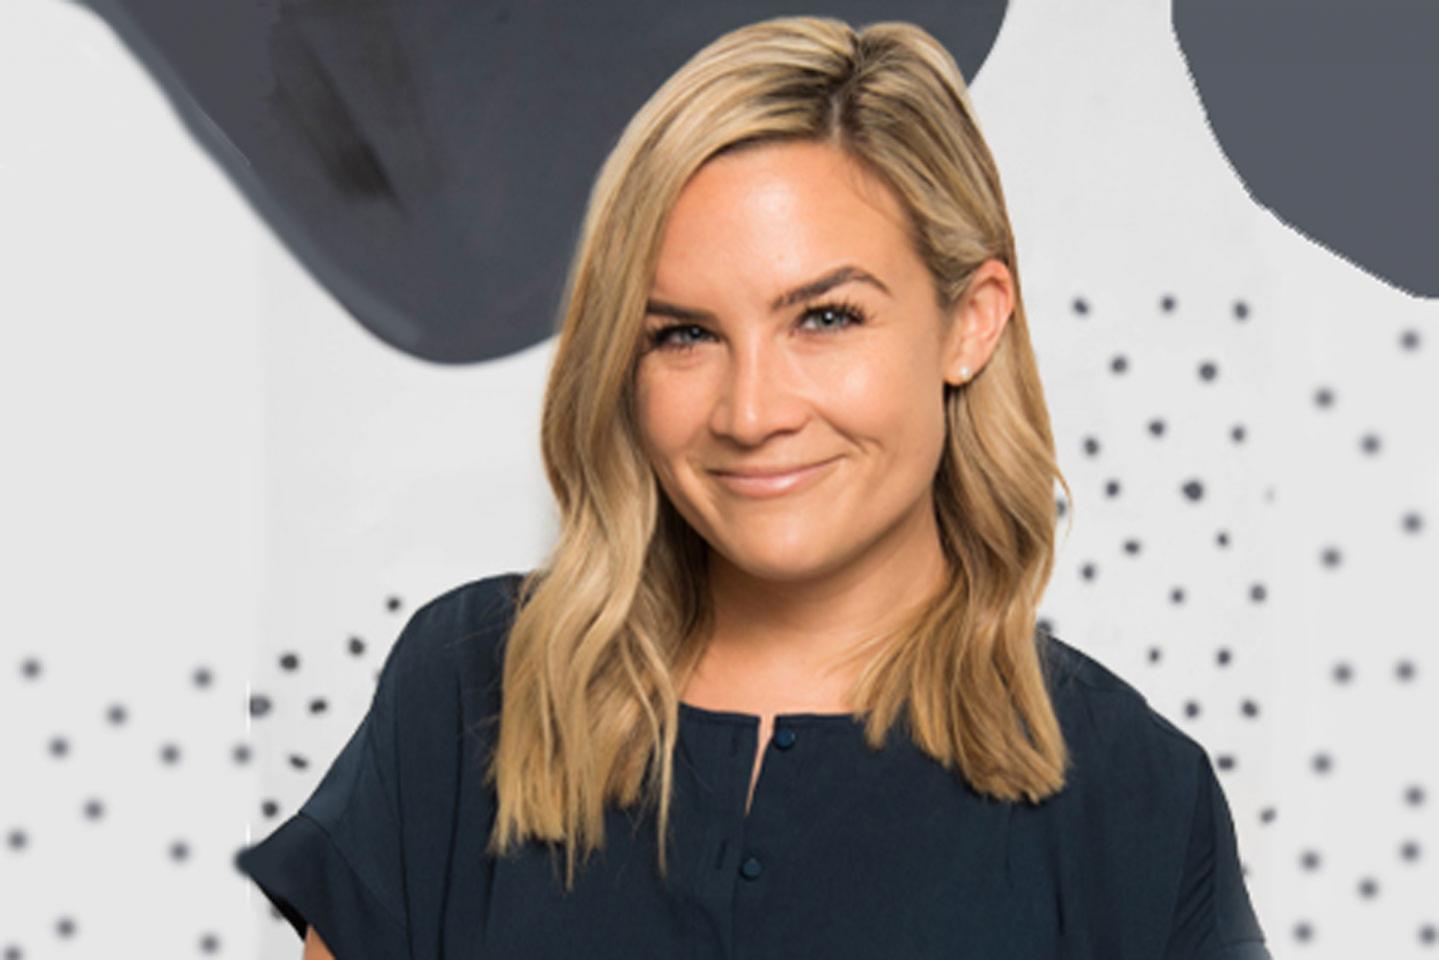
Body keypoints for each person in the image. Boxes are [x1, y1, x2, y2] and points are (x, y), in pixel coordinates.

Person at [235, 15, 1272, 959]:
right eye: (683, 334)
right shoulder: (469, 691)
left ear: (970, 320)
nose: (749, 411)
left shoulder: (1136, 798)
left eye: (824, 318)